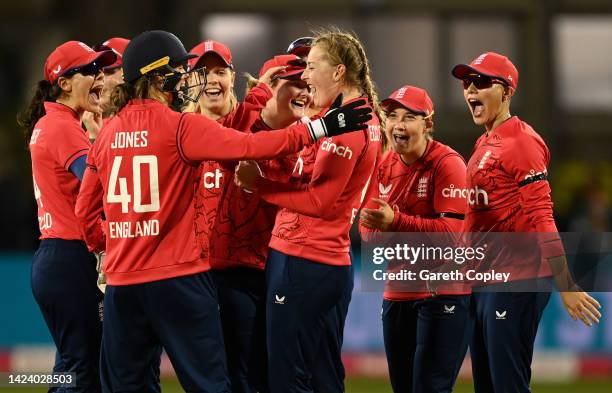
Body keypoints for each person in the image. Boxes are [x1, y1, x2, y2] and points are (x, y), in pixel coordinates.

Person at [74, 29, 371, 393]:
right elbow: (252, 145)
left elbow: (86, 211)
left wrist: (110, 247)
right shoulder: (181, 126)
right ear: (158, 76)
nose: (186, 80)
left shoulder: (105, 135)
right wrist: (320, 127)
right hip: (179, 279)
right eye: (179, 72)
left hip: (122, 284)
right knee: (212, 386)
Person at [235, 28, 383, 393]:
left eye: (312, 66)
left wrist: (260, 186)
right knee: (322, 374)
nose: (304, 75)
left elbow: (320, 202)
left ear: (338, 73)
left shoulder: (345, 128)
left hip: (306, 258)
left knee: (288, 377)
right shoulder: (350, 119)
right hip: (325, 260)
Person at [451, 51, 602, 393]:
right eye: (467, 83)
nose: (471, 90)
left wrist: (565, 284)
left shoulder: (522, 143)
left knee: (508, 386)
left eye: (482, 82)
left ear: (506, 92)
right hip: (486, 282)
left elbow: (542, 218)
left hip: (517, 282)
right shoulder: (484, 142)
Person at [203, 54, 311, 393]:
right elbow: (232, 151)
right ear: (268, 88)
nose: (304, 91)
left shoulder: (304, 138)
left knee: (277, 374)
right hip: (237, 271)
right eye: (294, 81)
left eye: (307, 83)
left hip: (281, 269)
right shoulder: (239, 127)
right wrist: (259, 101)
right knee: (243, 375)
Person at [17, 40, 116, 392]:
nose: (99, 76)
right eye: (90, 70)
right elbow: (99, 184)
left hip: (57, 258)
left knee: (71, 366)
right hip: (70, 258)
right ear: (65, 83)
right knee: (83, 370)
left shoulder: (53, 123)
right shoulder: (62, 126)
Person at [359, 86, 471, 393]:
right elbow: (367, 232)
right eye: (392, 116)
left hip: (443, 294)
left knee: (430, 388)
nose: (398, 125)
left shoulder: (448, 164)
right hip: (397, 294)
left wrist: (395, 222)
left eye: (409, 117)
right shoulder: (383, 165)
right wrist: (386, 228)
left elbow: (450, 237)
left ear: (428, 124)